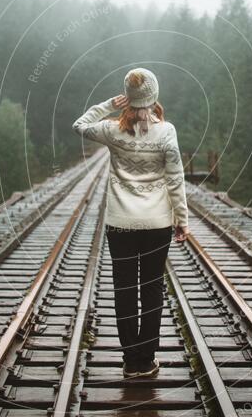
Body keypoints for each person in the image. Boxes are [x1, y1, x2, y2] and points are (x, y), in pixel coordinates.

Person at [72, 68, 190, 378]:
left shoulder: (112, 130)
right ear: (154, 96)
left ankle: (130, 361)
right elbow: (175, 179)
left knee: (124, 290)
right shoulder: (167, 132)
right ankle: (146, 360)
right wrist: (182, 219)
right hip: (157, 224)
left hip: (120, 224)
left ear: (128, 97)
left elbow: (80, 125)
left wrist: (109, 104)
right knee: (152, 289)